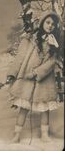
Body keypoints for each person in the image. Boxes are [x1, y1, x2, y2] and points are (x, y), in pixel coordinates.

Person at [6, 12, 62, 143]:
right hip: (26, 79)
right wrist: (12, 74)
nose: (50, 26)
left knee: (44, 108)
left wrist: (37, 73)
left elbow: (52, 62)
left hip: (44, 81)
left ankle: (44, 135)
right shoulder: (30, 39)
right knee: (24, 107)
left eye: (53, 24)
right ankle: (17, 135)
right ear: (42, 23)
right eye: (48, 22)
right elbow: (19, 58)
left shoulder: (54, 43)